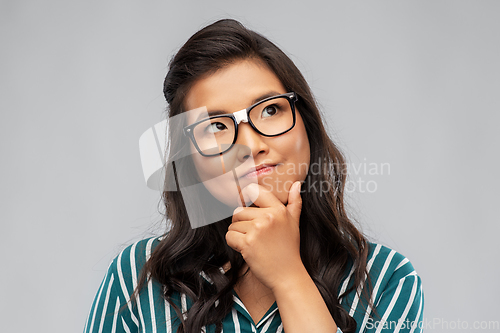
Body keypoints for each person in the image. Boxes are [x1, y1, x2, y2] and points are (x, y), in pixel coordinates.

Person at [84, 19, 423, 333]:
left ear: (306, 122)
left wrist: (289, 278)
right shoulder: (138, 277)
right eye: (215, 126)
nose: (250, 145)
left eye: (271, 110)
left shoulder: (385, 279)